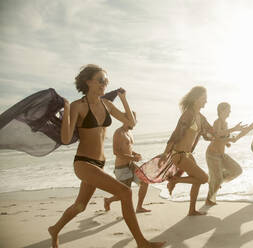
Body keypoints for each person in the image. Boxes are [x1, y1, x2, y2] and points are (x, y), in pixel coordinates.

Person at [48, 64, 165, 248]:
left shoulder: (107, 105)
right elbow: (65, 138)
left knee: (80, 206)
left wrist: (123, 98)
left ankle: (54, 229)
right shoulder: (78, 106)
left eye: (106, 81)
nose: (105, 84)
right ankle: (141, 242)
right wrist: (67, 108)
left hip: (99, 163)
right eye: (101, 80)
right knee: (125, 192)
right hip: (84, 163)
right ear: (88, 82)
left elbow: (130, 121)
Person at [136, 86, 214, 216]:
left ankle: (192, 210)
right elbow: (176, 134)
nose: (206, 101)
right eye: (204, 98)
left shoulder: (201, 117)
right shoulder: (188, 114)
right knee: (204, 178)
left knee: (198, 180)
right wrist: (166, 153)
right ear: (196, 99)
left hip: (188, 155)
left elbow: (210, 133)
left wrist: (231, 132)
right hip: (179, 155)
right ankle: (174, 180)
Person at [104, 111, 151, 213]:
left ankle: (139, 207)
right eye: (133, 120)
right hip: (122, 168)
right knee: (124, 194)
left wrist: (135, 154)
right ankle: (108, 200)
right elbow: (116, 152)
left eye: (135, 120)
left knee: (145, 182)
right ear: (126, 119)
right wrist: (133, 158)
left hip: (131, 165)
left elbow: (127, 149)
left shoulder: (129, 132)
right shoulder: (118, 132)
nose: (135, 123)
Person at [205, 102, 245, 206]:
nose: (230, 112)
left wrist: (228, 142)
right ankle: (209, 199)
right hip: (212, 155)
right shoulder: (217, 122)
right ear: (222, 111)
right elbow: (217, 134)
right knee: (217, 179)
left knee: (237, 170)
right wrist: (234, 130)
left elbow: (221, 138)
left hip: (221, 155)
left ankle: (215, 180)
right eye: (228, 110)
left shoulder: (225, 123)